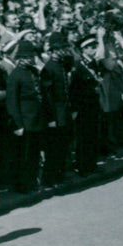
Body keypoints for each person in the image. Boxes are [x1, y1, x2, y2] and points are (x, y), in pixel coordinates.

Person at [6, 40, 49, 193]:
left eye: (31, 56)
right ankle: (22, 185)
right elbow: (12, 102)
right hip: (25, 120)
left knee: (34, 154)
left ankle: (32, 181)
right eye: (26, 57)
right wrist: (18, 125)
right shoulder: (15, 75)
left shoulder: (33, 71)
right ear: (20, 58)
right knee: (23, 155)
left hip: (36, 119)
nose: (29, 59)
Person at [40, 31, 74, 186]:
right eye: (60, 48)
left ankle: (59, 175)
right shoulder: (49, 68)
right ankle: (50, 178)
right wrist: (51, 118)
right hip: (55, 114)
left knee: (62, 145)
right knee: (53, 148)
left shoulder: (61, 64)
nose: (64, 51)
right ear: (53, 50)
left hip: (63, 112)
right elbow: (47, 97)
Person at [69, 34, 104, 176]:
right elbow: (74, 89)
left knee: (93, 135)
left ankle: (92, 164)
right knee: (83, 137)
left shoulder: (93, 63)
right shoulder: (78, 65)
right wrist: (75, 108)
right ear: (83, 49)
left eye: (94, 46)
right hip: (83, 105)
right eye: (89, 47)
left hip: (93, 104)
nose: (93, 49)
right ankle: (82, 166)